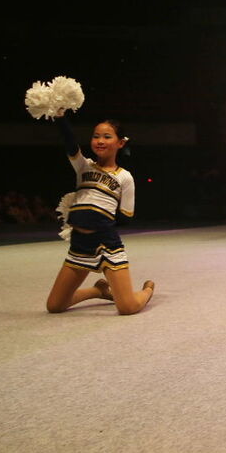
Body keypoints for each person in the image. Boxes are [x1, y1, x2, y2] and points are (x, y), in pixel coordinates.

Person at [46, 115, 154, 315]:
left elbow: (126, 217)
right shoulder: (83, 166)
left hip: (106, 244)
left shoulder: (124, 177)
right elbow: (70, 143)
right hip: (79, 244)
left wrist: (99, 223)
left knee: (127, 307)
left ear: (120, 143)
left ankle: (147, 291)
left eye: (107, 136)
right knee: (54, 306)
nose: (100, 141)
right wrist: (60, 118)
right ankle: (98, 291)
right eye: (96, 136)